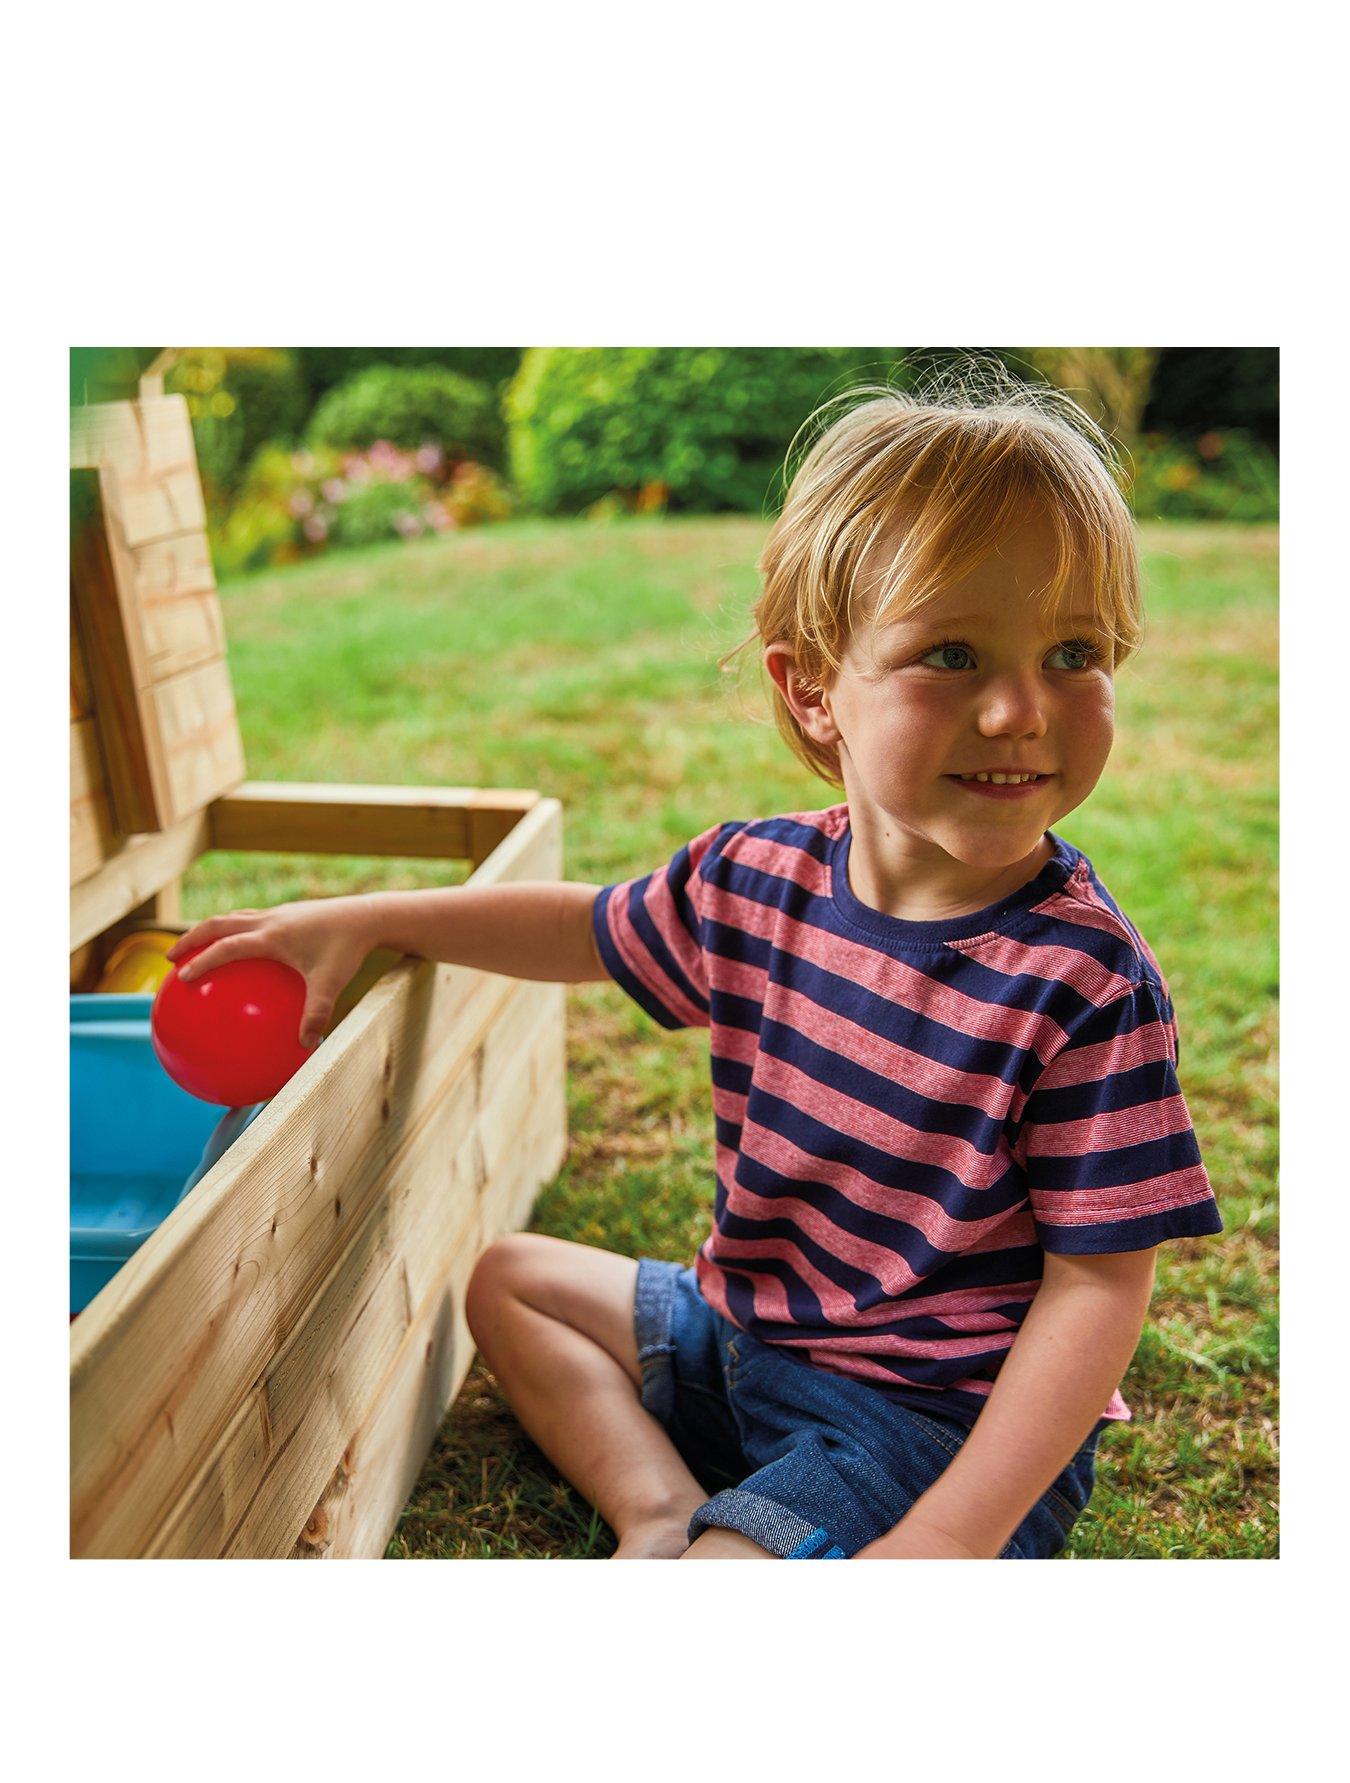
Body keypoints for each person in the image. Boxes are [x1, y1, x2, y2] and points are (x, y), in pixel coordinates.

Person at [168, 370, 1221, 1559]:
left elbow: (1098, 1292)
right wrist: (371, 920)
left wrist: (948, 1542)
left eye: (1074, 651)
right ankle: (658, 1508)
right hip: (743, 1338)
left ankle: (730, 1537)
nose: (1019, 711)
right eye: (953, 655)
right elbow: (582, 927)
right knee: (513, 1283)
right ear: (813, 690)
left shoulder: (1082, 981)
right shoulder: (755, 880)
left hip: (931, 1429)